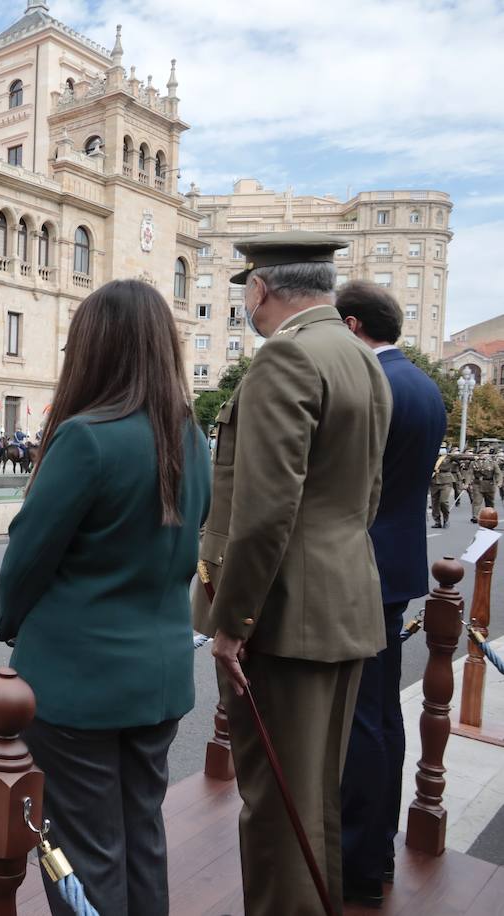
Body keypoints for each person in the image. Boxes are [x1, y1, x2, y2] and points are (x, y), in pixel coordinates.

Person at [0, 278, 211, 916]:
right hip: (161, 672)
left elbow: (28, 554)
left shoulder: (88, 435)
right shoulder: (188, 434)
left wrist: (10, 623)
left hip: (78, 679)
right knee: (142, 833)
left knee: (84, 851)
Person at [194, 231, 391, 915]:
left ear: (259, 290)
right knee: (313, 802)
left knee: (278, 811)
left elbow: (265, 513)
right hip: (344, 601)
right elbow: (363, 498)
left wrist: (231, 623)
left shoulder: (288, 358)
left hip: (284, 616)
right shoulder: (362, 359)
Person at [336, 281, 446, 907]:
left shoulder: (375, 386)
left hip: (361, 568)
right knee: (382, 714)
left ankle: (358, 856)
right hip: (396, 563)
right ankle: (375, 848)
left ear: (352, 327)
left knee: (360, 720)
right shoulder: (422, 384)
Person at [429, 446, 456, 528]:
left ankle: (446, 519)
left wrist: (475, 457)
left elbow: (462, 457)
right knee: (434, 503)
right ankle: (437, 521)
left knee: (443, 501)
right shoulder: (431, 456)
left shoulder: (449, 457)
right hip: (434, 481)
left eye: (443, 447)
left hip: (446, 481)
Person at [471, 447, 497, 521]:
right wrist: (467, 483)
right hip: (477, 484)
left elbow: (498, 473)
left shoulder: (493, 462)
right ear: (479, 454)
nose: (484, 455)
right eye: (482, 453)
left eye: (486, 453)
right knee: (477, 501)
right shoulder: (474, 462)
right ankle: (475, 516)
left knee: (490, 502)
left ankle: (490, 515)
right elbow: (469, 473)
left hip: (489, 484)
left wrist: (499, 482)